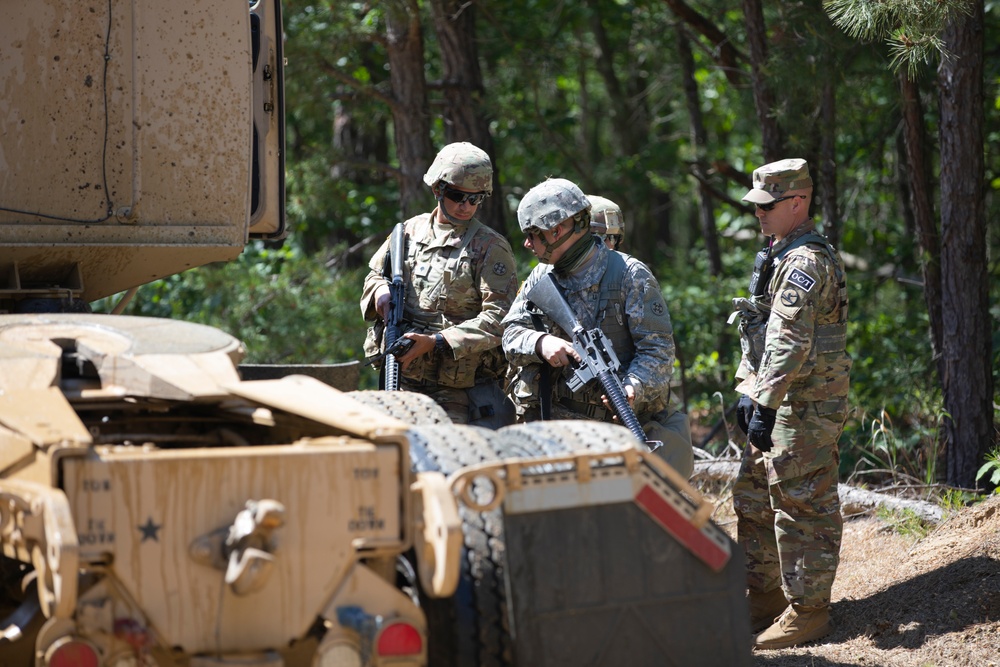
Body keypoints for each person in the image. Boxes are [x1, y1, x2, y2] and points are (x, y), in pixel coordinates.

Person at [730, 158, 851, 650]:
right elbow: (757, 328)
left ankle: (809, 612)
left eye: (768, 205)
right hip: (776, 397)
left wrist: (765, 402)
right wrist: (747, 387)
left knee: (801, 503)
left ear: (797, 202)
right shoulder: (778, 252)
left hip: (805, 405)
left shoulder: (806, 262)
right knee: (753, 495)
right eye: (756, 205)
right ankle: (764, 596)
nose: (759, 214)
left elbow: (789, 342)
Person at [502, 178, 693, 478]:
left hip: (617, 430)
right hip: (555, 428)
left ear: (557, 230)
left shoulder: (629, 275)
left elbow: (658, 353)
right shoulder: (542, 276)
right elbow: (511, 332)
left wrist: (632, 387)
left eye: (533, 234)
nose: (527, 243)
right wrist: (541, 343)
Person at [360, 142, 517, 427]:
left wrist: (436, 342)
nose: (466, 206)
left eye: (476, 199)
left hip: (455, 389)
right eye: (458, 196)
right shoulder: (407, 232)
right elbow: (373, 276)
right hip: (401, 375)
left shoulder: (490, 247)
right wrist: (380, 291)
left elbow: (500, 318)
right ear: (438, 189)